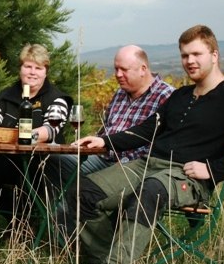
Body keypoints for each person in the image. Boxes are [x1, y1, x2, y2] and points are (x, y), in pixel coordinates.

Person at [65, 25, 224, 264]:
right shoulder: (180, 96)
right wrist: (106, 142)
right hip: (146, 164)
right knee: (82, 192)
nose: (190, 61)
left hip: (185, 176)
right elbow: (146, 130)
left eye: (196, 54)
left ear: (214, 54)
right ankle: (111, 261)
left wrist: (212, 170)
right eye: (185, 55)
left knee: (149, 192)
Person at [0, 43, 73, 217]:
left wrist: (24, 137)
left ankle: (25, 223)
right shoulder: (5, 95)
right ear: (20, 69)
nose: (32, 72)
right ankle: (16, 221)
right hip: (5, 158)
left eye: (38, 68)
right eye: (28, 66)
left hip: (42, 162)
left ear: (45, 71)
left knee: (23, 179)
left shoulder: (57, 98)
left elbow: (51, 129)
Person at [57, 45, 174, 179]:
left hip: (133, 168)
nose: (118, 75)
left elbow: (161, 145)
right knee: (54, 161)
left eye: (124, 69)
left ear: (143, 69)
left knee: (85, 186)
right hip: (102, 159)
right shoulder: (120, 93)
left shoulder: (166, 96)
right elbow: (106, 129)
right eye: (116, 69)